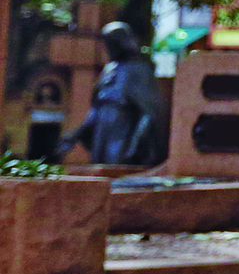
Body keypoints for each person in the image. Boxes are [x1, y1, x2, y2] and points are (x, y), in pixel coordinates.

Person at [53, 22, 165, 166]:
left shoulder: (139, 69)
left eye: (112, 43)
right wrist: (76, 134)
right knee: (97, 169)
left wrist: (136, 143)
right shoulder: (109, 69)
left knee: (116, 167)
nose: (109, 48)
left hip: (122, 131)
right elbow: (96, 109)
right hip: (102, 131)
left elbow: (149, 111)